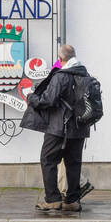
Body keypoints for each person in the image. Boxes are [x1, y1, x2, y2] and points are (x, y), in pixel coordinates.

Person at [21, 43, 93, 212]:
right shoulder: (85, 74)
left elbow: (48, 100)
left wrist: (31, 97)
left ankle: (52, 199)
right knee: (73, 163)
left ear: (60, 59)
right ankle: (72, 201)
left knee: (48, 159)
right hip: (80, 127)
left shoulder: (61, 76)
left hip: (59, 127)